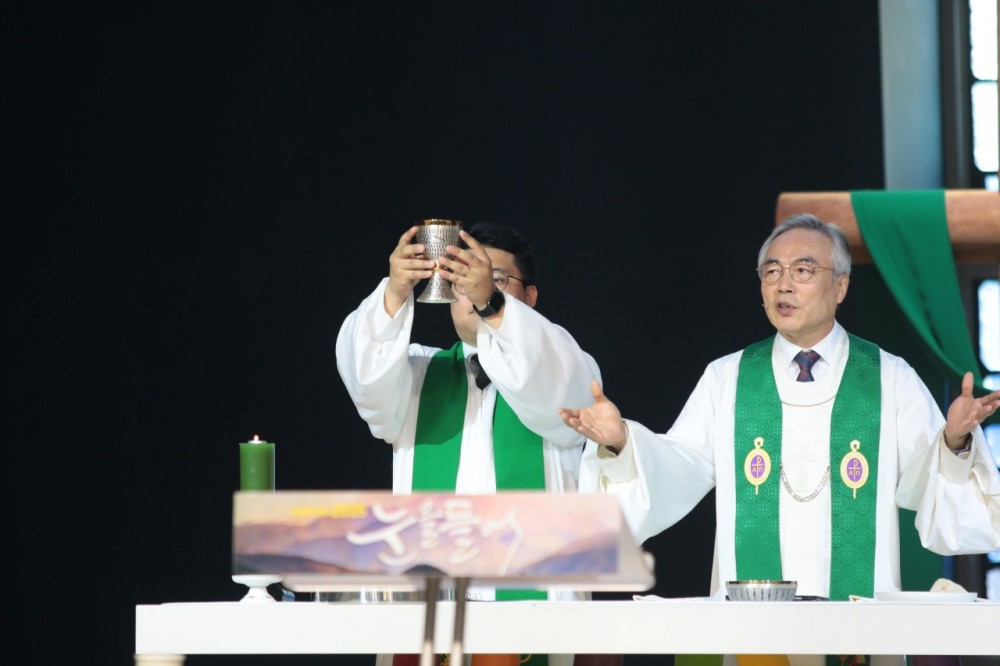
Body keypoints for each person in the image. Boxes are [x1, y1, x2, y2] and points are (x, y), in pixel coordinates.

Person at [559, 214, 1000, 617]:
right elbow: (678, 466)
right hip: (752, 628)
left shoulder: (888, 377)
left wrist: (954, 441)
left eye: (802, 271)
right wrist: (621, 443)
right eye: (771, 272)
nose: (783, 285)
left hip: (857, 623)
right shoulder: (728, 378)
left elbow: (928, 482)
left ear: (841, 287)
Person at [337, 221, 605, 666]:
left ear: (529, 297)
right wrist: (395, 292)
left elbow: (563, 391)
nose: (475, 291)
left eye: (495, 279)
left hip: (532, 619)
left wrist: (491, 303)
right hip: (431, 623)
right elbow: (366, 376)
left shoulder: (561, 363)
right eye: (462, 279)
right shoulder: (415, 376)